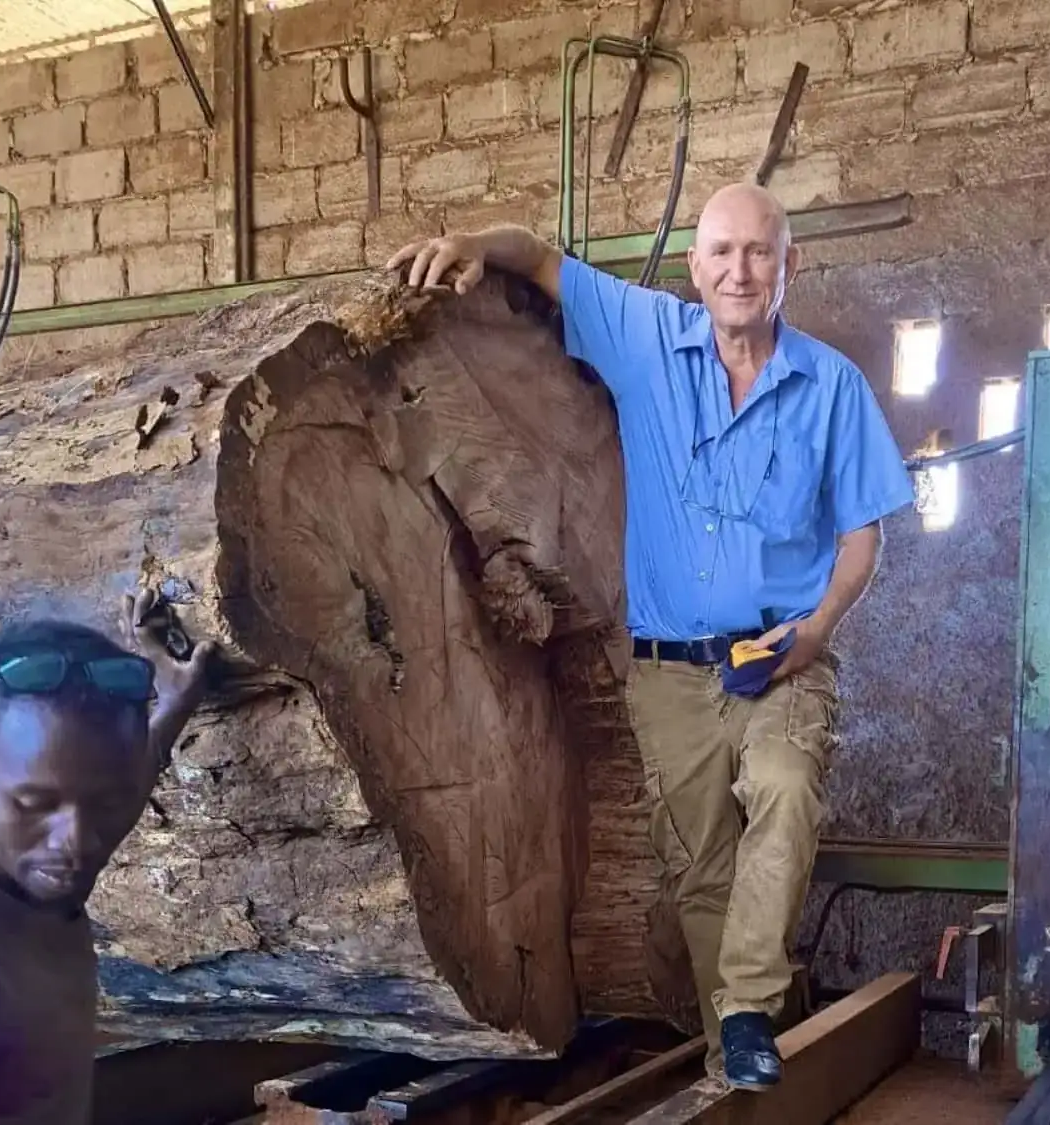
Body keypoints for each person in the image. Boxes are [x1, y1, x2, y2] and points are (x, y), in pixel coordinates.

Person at [388, 182, 916, 1091]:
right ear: (693, 268)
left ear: (792, 265)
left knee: (786, 791)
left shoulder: (831, 386)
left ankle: (747, 1006)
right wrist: (472, 241)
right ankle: (737, 1059)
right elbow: (542, 255)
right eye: (721, 253)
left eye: (759, 252)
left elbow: (866, 532)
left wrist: (818, 630)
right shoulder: (646, 341)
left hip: (782, 657)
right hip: (668, 672)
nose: (739, 271)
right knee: (701, 870)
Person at [0, 589, 214, 1124]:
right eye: (36, 804)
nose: (79, 841)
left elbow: (123, 777)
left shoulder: (36, 854)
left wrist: (177, 699)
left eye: (105, 803)